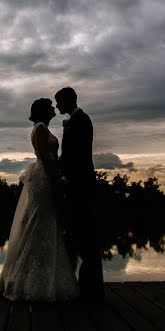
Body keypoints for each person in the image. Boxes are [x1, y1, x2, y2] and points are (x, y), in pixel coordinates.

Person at [0, 98, 78, 301]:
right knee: (37, 222)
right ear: (43, 111)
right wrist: (57, 178)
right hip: (44, 179)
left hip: (46, 176)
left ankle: (44, 278)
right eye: (50, 106)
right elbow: (45, 156)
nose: (53, 108)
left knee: (44, 223)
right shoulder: (40, 129)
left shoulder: (42, 128)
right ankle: (26, 281)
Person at [56, 86, 105, 301]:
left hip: (81, 186)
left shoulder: (81, 120)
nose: (57, 106)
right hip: (78, 185)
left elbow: (78, 156)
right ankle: (89, 288)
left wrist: (66, 177)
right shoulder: (76, 121)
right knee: (83, 235)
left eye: (59, 101)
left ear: (68, 100)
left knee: (87, 237)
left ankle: (92, 291)